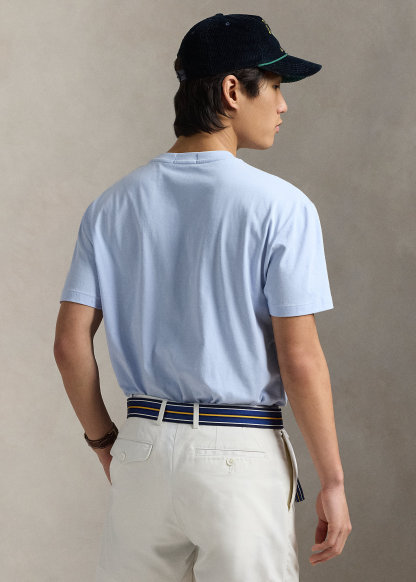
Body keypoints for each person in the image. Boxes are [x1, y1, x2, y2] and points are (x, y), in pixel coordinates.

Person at [53, 12, 351, 582]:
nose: (284, 105)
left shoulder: (111, 206)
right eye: (276, 86)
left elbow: (69, 346)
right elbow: (300, 359)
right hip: (239, 455)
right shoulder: (281, 207)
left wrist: (106, 442)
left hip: (141, 448)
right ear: (233, 90)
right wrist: (333, 481)